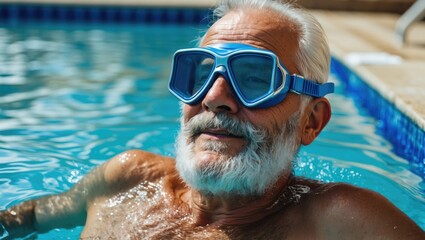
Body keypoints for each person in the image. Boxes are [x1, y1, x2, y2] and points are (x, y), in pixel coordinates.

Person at [1, 0, 425, 239]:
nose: (216, 98)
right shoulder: (126, 179)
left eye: (255, 78)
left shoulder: (339, 221)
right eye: (200, 74)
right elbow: (34, 218)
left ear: (311, 121)